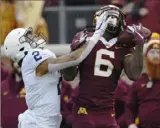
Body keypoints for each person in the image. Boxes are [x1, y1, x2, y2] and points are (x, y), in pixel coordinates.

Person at [3, 11, 110, 128]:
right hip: (37, 124)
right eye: (27, 38)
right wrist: (97, 34)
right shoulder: (31, 60)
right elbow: (75, 58)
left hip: (44, 122)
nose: (32, 38)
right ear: (20, 47)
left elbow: (69, 66)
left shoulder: (34, 60)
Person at [62, 5, 151, 128]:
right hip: (84, 110)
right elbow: (69, 75)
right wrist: (73, 52)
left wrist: (139, 45)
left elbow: (134, 75)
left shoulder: (122, 46)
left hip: (107, 112)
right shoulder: (88, 40)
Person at [126, 33, 160, 128]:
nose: (156, 56)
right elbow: (130, 106)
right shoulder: (139, 81)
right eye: (152, 52)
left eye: (158, 52)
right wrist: (131, 124)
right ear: (146, 56)